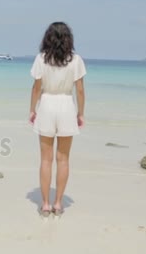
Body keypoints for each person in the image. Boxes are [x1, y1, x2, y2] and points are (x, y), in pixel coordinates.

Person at [29, 21, 86, 217]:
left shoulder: (41, 58)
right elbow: (79, 89)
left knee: (46, 159)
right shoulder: (75, 60)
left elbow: (37, 87)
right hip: (66, 105)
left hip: (46, 104)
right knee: (63, 159)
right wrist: (80, 113)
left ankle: (45, 203)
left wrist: (32, 109)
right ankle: (59, 203)